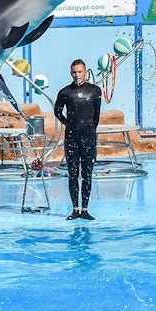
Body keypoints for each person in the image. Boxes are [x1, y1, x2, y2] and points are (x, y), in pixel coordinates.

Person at [53, 59, 101, 220]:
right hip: (72, 138)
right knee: (73, 173)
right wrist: (69, 124)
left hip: (88, 138)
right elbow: (57, 112)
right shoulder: (65, 92)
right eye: (74, 72)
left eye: (80, 72)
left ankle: (85, 209)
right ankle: (75, 209)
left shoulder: (95, 91)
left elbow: (96, 116)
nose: (77, 75)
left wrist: (89, 130)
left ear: (85, 72)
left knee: (87, 174)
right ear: (70, 73)